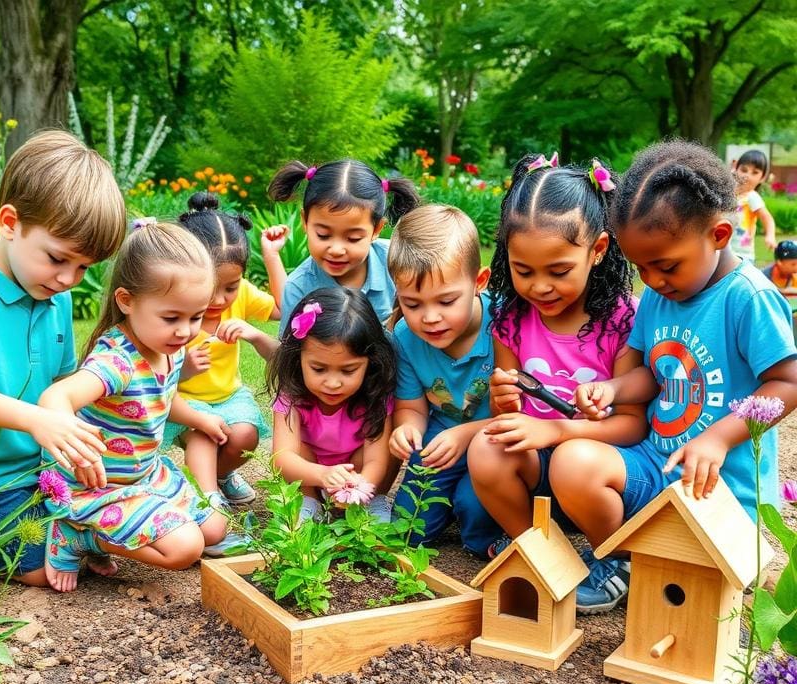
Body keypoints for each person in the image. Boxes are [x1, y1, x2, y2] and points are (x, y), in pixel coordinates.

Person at [549, 139, 797, 613]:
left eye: (665, 265)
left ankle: (693, 559)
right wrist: (614, 388)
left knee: (707, 588)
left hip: (720, 486)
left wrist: (719, 439)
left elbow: (788, 383)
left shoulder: (748, 298)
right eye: (641, 267)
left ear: (720, 235)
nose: (654, 281)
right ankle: (620, 560)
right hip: (657, 465)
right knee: (571, 462)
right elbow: (651, 374)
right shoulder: (660, 297)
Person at [0, 130, 126, 587]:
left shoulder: (54, 295)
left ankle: (68, 533)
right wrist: (37, 421)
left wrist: (80, 440)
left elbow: (62, 382)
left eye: (84, 268)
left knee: (119, 510)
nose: (69, 278)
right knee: (39, 566)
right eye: (58, 259)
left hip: (41, 471)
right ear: (10, 222)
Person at [467, 155, 646, 611]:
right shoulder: (511, 319)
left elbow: (633, 426)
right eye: (523, 270)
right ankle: (546, 551)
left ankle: (617, 557)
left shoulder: (620, 322)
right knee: (486, 448)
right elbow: (510, 420)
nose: (540, 287)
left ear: (599, 250)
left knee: (571, 459)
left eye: (559, 271)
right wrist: (504, 400)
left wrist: (559, 430)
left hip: (596, 474)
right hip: (541, 470)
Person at [38, 221, 232, 591]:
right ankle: (78, 537)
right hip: (100, 487)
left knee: (215, 528)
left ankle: (104, 534)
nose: (185, 331)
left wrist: (199, 419)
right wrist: (76, 447)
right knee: (186, 548)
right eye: (171, 317)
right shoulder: (117, 363)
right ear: (126, 301)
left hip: (144, 476)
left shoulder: (166, 347)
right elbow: (55, 398)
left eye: (195, 317)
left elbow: (157, 400)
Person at [163, 192, 284, 550]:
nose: (219, 300)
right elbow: (156, 377)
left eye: (230, 287)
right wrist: (183, 370)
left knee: (245, 435)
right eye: (211, 288)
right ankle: (209, 502)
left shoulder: (243, 296)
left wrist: (271, 257)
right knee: (203, 436)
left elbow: (282, 307)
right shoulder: (176, 307)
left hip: (229, 396)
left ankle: (219, 475)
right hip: (184, 401)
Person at [387, 205, 502, 553]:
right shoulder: (405, 337)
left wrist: (466, 435)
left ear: (478, 282)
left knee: (476, 513)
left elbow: (522, 412)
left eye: (446, 300)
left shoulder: (503, 324)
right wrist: (407, 428)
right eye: (413, 303)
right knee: (408, 532)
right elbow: (411, 406)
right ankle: (447, 499)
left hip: (496, 444)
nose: (430, 318)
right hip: (439, 445)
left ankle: (478, 515)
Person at [268, 287, 397, 522]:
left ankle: (375, 499)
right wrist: (323, 474)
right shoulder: (292, 395)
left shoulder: (374, 394)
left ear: (370, 362)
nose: (333, 383)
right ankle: (310, 501)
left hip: (358, 470)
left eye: (349, 370)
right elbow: (282, 457)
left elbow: (376, 460)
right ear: (298, 358)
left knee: (391, 445)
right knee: (299, 451)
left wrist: (360, 486)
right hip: (311, 470)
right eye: (318, 369)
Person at [267, 159, 419, 334]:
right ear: (305, 222)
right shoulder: (299, 287)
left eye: (353, 238)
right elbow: (292, 352)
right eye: (323, 235)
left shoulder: (398, 260)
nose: (336, 250)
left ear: (376, 229)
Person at [731, 148, 777, 262]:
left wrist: (770, 236)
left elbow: (767, 218)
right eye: (744, 170)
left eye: (755, 172)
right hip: (724, 252)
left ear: (762, 178)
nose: (747, 175)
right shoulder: (729, 194)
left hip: (742, 255)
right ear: (736, 169)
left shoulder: (752, 197)